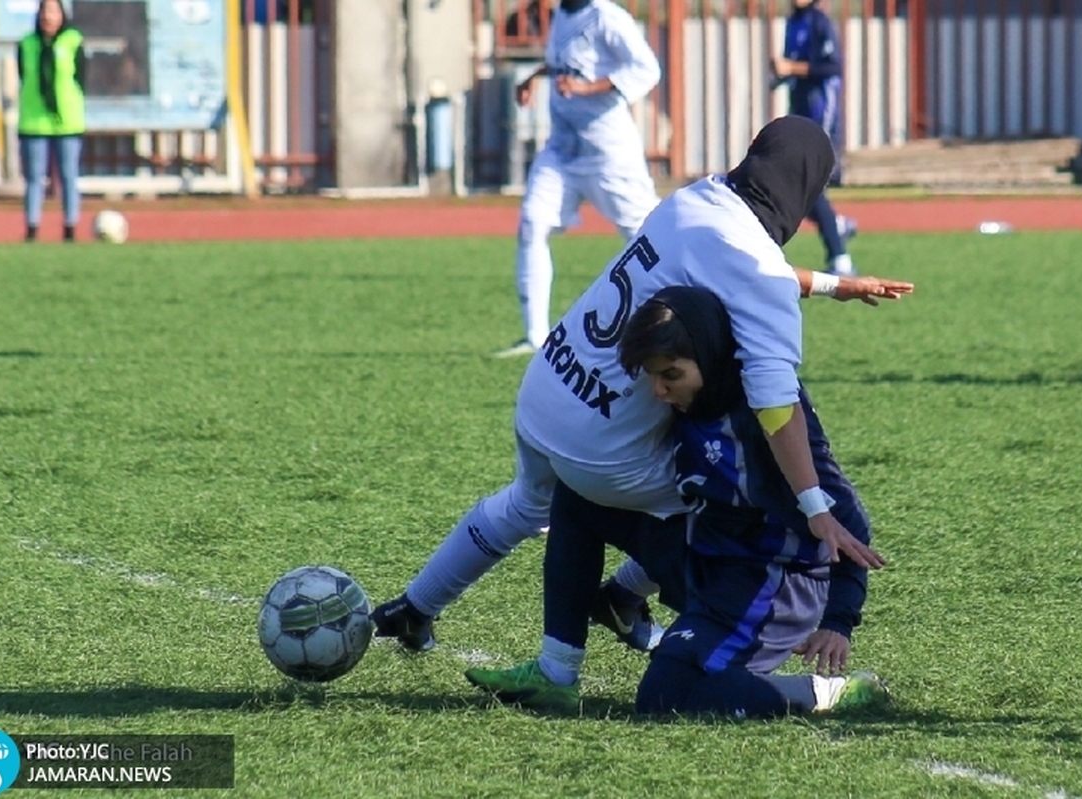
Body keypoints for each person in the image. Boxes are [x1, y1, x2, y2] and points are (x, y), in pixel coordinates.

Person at [372, 116, 913, 656]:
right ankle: (633, 597)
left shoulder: (695, 200)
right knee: (743, 496)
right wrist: (815, 505)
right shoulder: (756, 268)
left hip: (545, 385)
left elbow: (737, 265)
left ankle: (415, 607)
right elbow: (775, 403)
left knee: (524, 505)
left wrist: (831, 285)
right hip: (603, 448)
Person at [466, 287, 888, 715]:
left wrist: (838, 621)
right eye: (653, 376)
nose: (660, 391)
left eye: (671, 375)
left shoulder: (766, 416)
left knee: (665, 697)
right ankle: (557, 672)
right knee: (578, 495)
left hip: (765, 585)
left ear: (707, 354)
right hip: (701, 557)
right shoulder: (694, 397)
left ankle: (826, 693)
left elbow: (847, 518)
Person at [495, 0, 663, 358]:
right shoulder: (562, 14)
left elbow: (647, 69)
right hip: (562, 149)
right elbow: (566, 63)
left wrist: (587, 89)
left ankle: (684, 316)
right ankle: (535, 337)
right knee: (532, 224)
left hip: (608, 150)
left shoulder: (607, 17)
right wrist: (535, 77)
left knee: (649, 238)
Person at [772, 0, 855, 276]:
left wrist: (792, 68)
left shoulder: (819, 22)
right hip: (800, 109)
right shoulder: (793, 22)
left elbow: (831, 67)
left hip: (821, 113)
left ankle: (841, 258)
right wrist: (781, 74)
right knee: (794, 184)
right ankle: (835, 225)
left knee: (806, 182)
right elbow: (794, 65)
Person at [17, 0, 86, 243]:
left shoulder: (73, 41)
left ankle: (70, 228)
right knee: (34, 178)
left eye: (53, 11)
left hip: (67, 121)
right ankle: (32, 228)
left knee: (69, 176)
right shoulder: (27, 44)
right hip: (34, 121)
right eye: (45, 11)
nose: (49, 17)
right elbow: (23, 75)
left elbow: (81, 79)